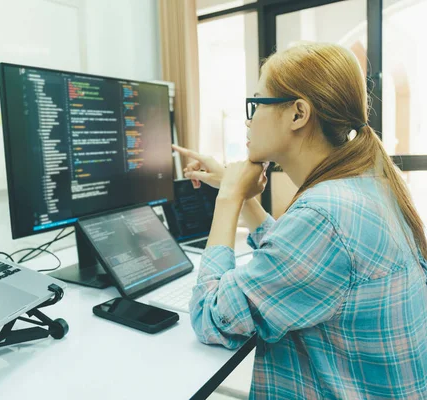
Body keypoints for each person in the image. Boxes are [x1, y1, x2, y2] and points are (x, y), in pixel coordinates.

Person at [173, 42, 427, 399]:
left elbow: (211, 317)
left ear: (298, 114)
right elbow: (296, 264)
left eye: (257, 103)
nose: (249, 119)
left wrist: (227, 198)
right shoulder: (367, 184)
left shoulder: (321, 216)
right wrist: (247, 198)